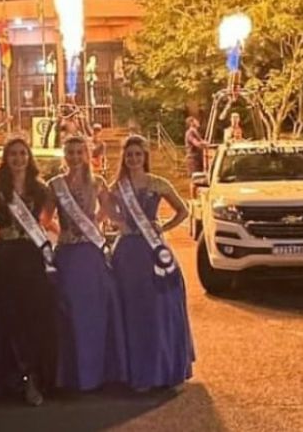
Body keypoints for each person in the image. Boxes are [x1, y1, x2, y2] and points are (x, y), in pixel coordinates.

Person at [108, 135, 195, 391]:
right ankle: (135, 373)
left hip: (153, 252)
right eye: (129, 155)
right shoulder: (117, 186)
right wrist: (118, 222)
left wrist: (163, 227)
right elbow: (106, 211)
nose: (134, 158)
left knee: (157, 310)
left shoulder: (159, 183)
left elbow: (183, 210)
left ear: (145, 156)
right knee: (130, 312)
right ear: (124, 158)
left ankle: (161, 369)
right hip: (126, 253)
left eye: (138, 154)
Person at [0, 136, 59, 406]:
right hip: (5, 257)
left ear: (29, 158)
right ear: (6, 158)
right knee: (8, 318)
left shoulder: (41, 189)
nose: (18, 158)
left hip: (30, 257)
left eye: (22, 154)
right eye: (13, 154)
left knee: (33, 318)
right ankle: (11, 379)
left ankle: (34, 378)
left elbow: (48, 222)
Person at [49, 135, 127, 392]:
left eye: (79, 152)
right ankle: (72, 373)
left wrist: (97, 221)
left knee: (95, 310)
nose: (74, 157)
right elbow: (44, 217)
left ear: (86, 154)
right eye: (70, 152)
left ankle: (98, 372)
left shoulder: (98, 182)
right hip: (68, 256)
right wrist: (60, 230)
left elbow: (110, 209)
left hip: (91, 255)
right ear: (65, 155)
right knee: (68, 312)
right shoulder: (55, 185)